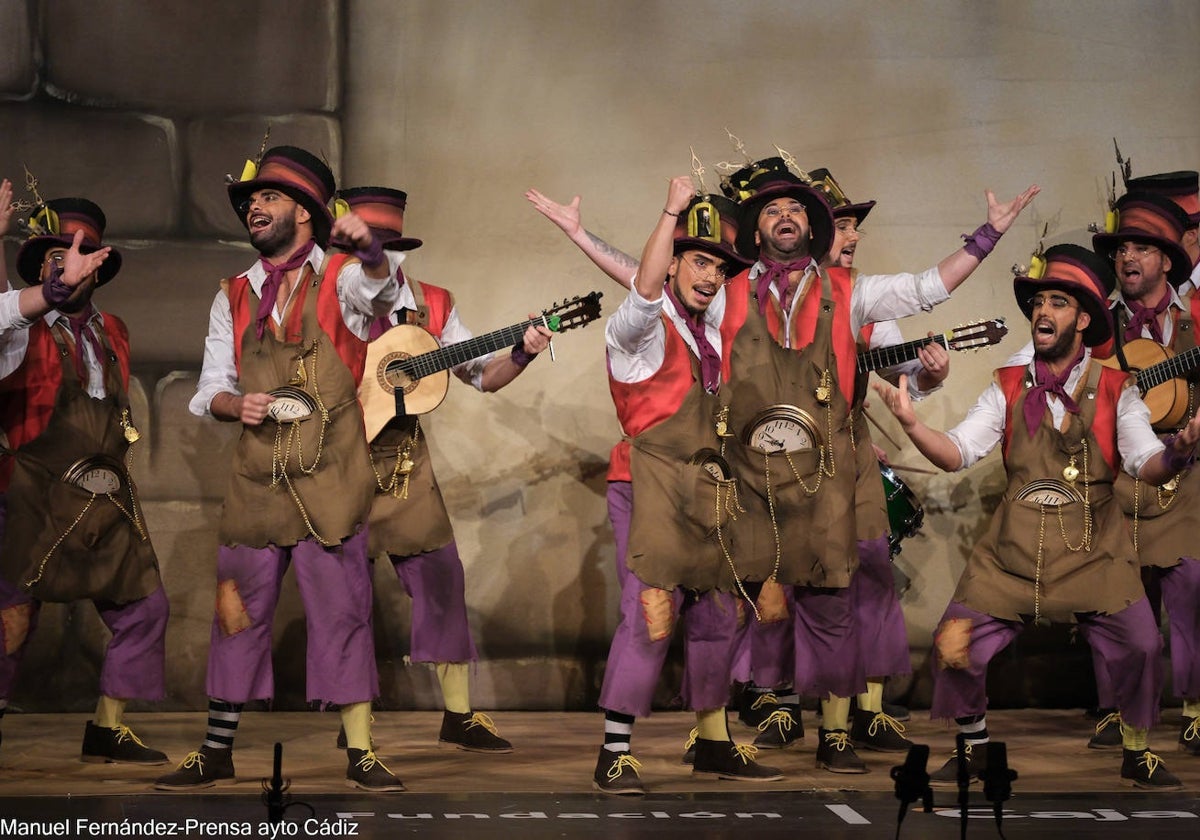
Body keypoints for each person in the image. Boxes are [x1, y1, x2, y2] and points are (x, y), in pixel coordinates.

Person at [718, 159, 1037, 773]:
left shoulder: (851, 291)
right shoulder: (730, 294)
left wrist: (986, 236)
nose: (787, 219)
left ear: (812, 228)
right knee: (759, 593)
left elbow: (925, 289)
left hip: (832, 465)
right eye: (772, 210)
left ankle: (836, 732)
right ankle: (761, 704)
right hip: (759, 471)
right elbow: (659, 301)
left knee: (839, 598)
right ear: (754, 230)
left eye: (797, 211)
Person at [876, 243, 1200, 790]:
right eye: (1040, 302)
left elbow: (1146, 462)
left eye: (1058, 303)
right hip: (1014, 548)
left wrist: (1179, 454)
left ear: (1083, 319)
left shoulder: (1117, 390)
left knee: (1143, 645)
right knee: (954, 640)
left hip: (1094, 548)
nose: (1044, 312)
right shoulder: (1006, 386)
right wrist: (912, 426)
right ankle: (974, 746)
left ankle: (1137, 750)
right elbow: (957, 452)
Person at [154, 145, 403, 792]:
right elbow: (209, 389)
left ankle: (362, 750)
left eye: (266, 197)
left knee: (344, 611)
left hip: (332, 474)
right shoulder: (234, 295)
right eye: (247, 202)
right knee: (235, 610)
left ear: (302, 208)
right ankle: (217, 748)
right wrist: (238, 403)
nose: (253, 208)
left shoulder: (343, 275)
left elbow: (378, 296)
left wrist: (371, 252)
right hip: (258, 477)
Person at [337, 185, 551, 754]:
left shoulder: (432, 303)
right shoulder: (326, 301)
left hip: (405, 462)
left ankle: (457, 716)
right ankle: (353, 727)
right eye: (363, 244)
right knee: (344, 594)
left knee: (442, 580)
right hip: (334, 462)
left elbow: (482, 377)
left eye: (383, 245)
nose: (372, 255)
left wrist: (524, 351)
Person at [593, 175, 787, 794]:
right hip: (648, 489)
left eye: (716, 267)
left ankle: (712, 741)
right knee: (651, 613)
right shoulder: (640, 332)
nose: (709, 276)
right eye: (698, 261)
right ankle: (614, 751)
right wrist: (671, 208)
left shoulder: (713, 328)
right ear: (674, 262)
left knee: (719, 615)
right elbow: (644, 290)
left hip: (710, 489)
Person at [0, 195, 169, 765]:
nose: (64, 264)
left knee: (145, 605)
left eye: (75, 253)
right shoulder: (19, 328)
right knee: (12, 617)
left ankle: (107, 728)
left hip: (104, 489)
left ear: (97, 264)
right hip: (33, 488)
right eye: (51, 257)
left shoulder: (112, 329)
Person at [1086, 192, 1200, 757]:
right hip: (1118, 479)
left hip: (1186, 472)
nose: (1127, 257)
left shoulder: (1194, 315)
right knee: (1118, 596)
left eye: (1140, 248)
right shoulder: (1096, 322)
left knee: (1190, 590)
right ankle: (1118, 711)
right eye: (1121, 248)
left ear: (1164, 261)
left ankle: (1196, 711)